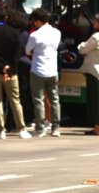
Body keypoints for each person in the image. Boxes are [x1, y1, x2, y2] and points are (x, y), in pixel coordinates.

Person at [0, 4, 32, 139]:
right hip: (11, 71)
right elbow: (17, 54)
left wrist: (0, 66)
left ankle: (0, 130)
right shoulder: (13, 33)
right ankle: (21, 128)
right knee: (15, 100)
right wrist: (9, 67)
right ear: (6, 17)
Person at [25, 7, 62, 137]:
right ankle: (56, 127)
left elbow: (27, 51)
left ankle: (40, 128)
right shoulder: (57, 32)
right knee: (54, 100)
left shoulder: (35, 35)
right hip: (53, 69)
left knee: (38, 100)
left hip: (37, 70)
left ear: (37, 21)